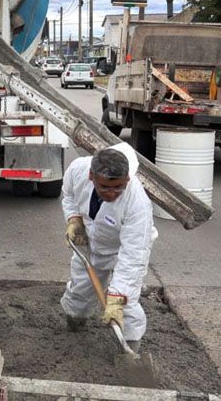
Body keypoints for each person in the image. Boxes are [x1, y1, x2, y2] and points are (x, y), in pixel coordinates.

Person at [60, 142, 157, 351]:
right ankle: (75, 324)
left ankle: (130, 348)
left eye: (118, 187)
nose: (112, 193)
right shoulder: (78, 169)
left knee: (125, 302)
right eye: (105, 187)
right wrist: (74, 218)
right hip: (91, 245)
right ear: (91, 177)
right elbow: (68, 194)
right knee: (79, 291)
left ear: (127, 180)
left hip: (124, 248)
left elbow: (134, 255)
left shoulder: (137, 203)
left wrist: (117, 294)